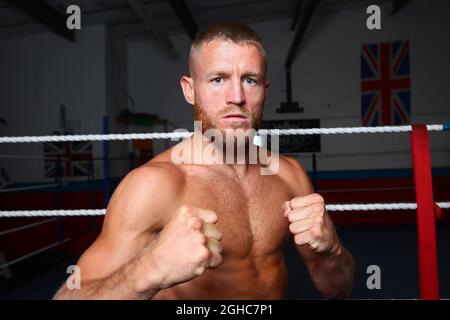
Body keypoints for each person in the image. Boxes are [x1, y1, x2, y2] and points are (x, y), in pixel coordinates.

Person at [54, 21, 354, 300]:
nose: (236, 96)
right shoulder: (153, 184)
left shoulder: (290, 175)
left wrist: (332, 250)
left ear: (265, 90)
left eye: (249, 80)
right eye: (218, 79)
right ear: (189, 89)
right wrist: (147, 271)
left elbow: (337, 289)